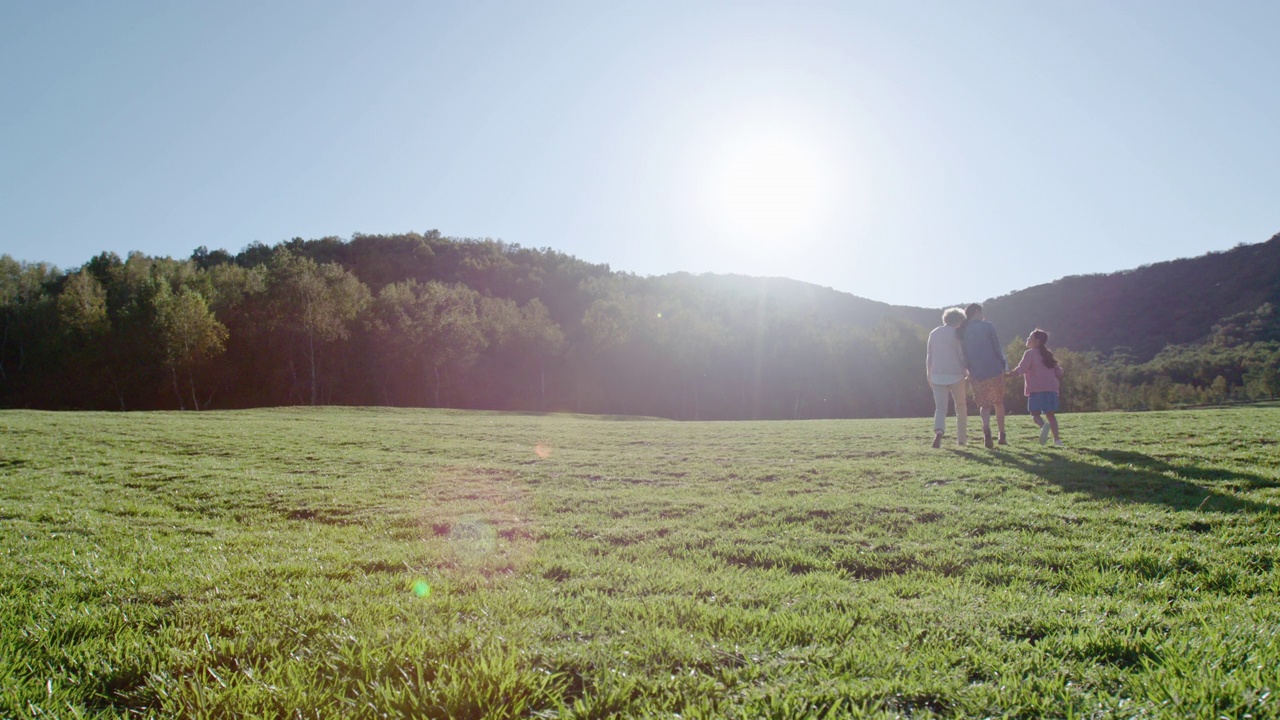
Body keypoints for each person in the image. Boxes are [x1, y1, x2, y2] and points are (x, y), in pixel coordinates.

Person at [957, 303, 1008, 448]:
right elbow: (997, 346)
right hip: (994, 368)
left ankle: (986, 429)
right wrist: (1004, 364)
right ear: (977, 312)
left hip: (975, 372)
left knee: (984, 404)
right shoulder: (988, 326)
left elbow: (963, 353)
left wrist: (967, 368)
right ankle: (1002, 434)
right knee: (998, 402)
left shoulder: (963, 330)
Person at [1007, 328, 1065, 446]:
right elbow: (1059, 372)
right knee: (1051, 415)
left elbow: (1021, 369)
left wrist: (1007, 375)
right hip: (1051, 389)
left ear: (1037, 341)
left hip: (1036, 389)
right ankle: (1057, 440)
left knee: (1035, 415)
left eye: (1030, 337)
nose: (1027, 339)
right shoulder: (1048, 354)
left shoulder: (1030, 353)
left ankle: (1044, 427)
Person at [925, 308, 968, 448]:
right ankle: (961, 440)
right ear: (960, 321)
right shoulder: (958, 333)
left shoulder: (934, 333)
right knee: (960, 407)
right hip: (956, 374)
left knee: (940, 408)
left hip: (937, 375)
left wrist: (929, 374)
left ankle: (939, 431)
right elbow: (961, 354)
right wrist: (967, 369)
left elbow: (929, 356)